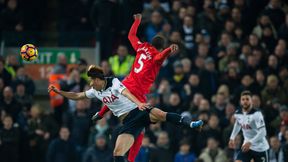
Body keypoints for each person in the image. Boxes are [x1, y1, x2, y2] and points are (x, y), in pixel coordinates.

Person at [48, 65, 203, 162]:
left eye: (92, 80)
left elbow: (126, 92)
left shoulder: (114, 82)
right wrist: (58, 91)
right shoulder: (95, 91)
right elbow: (77, 96)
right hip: (129, 123)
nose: (90, 83)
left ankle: (191, 123)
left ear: (98, 79)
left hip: (137, 110)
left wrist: (139, 104)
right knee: (117, 152)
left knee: (161, 114)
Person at [93, 13, 179, 162]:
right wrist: (168, 50)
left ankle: (100, 114)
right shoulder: (155, 55)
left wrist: (137, 21)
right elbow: (159, 58)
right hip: (137, 92)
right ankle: (131, 159)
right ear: (159, 47)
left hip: (126, 83)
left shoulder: (141, 47)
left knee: (112, 97)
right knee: (141, 126)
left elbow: (131, 35)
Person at [229, 91, 269, 162]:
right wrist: (232, 137)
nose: (245, 101)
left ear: (251, 101)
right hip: (247, 147)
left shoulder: (257, 114)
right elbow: (237, 124)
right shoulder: (238, 113)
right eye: (243, 99)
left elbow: (263, 132)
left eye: (247, 99)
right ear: (240, 101)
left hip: (260, 148)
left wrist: (250, 142)